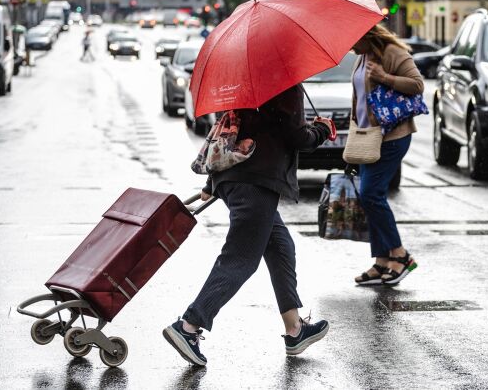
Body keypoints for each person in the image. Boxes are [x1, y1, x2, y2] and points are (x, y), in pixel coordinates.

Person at [163, 85, 334, 367]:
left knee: (280, 246)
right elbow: (297, 137)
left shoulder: (245, 83)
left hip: (235, 178)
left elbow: (233, 127)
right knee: (240, 259)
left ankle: (295, 330)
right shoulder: (285, 86)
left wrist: (212, 182)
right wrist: (322, 130)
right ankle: (189, 326)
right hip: (255, 184)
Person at [350, 24, 424, 286]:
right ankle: (382, 260)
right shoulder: (362, 57)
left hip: (392, 136)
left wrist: (385, 77)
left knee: (371, 194)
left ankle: (400, 255)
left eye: (352, 39)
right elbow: (360, 98)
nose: (349, 45)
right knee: (369, 196)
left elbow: (417, 84)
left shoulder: (392, 52)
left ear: (366, 34)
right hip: (368, 137)